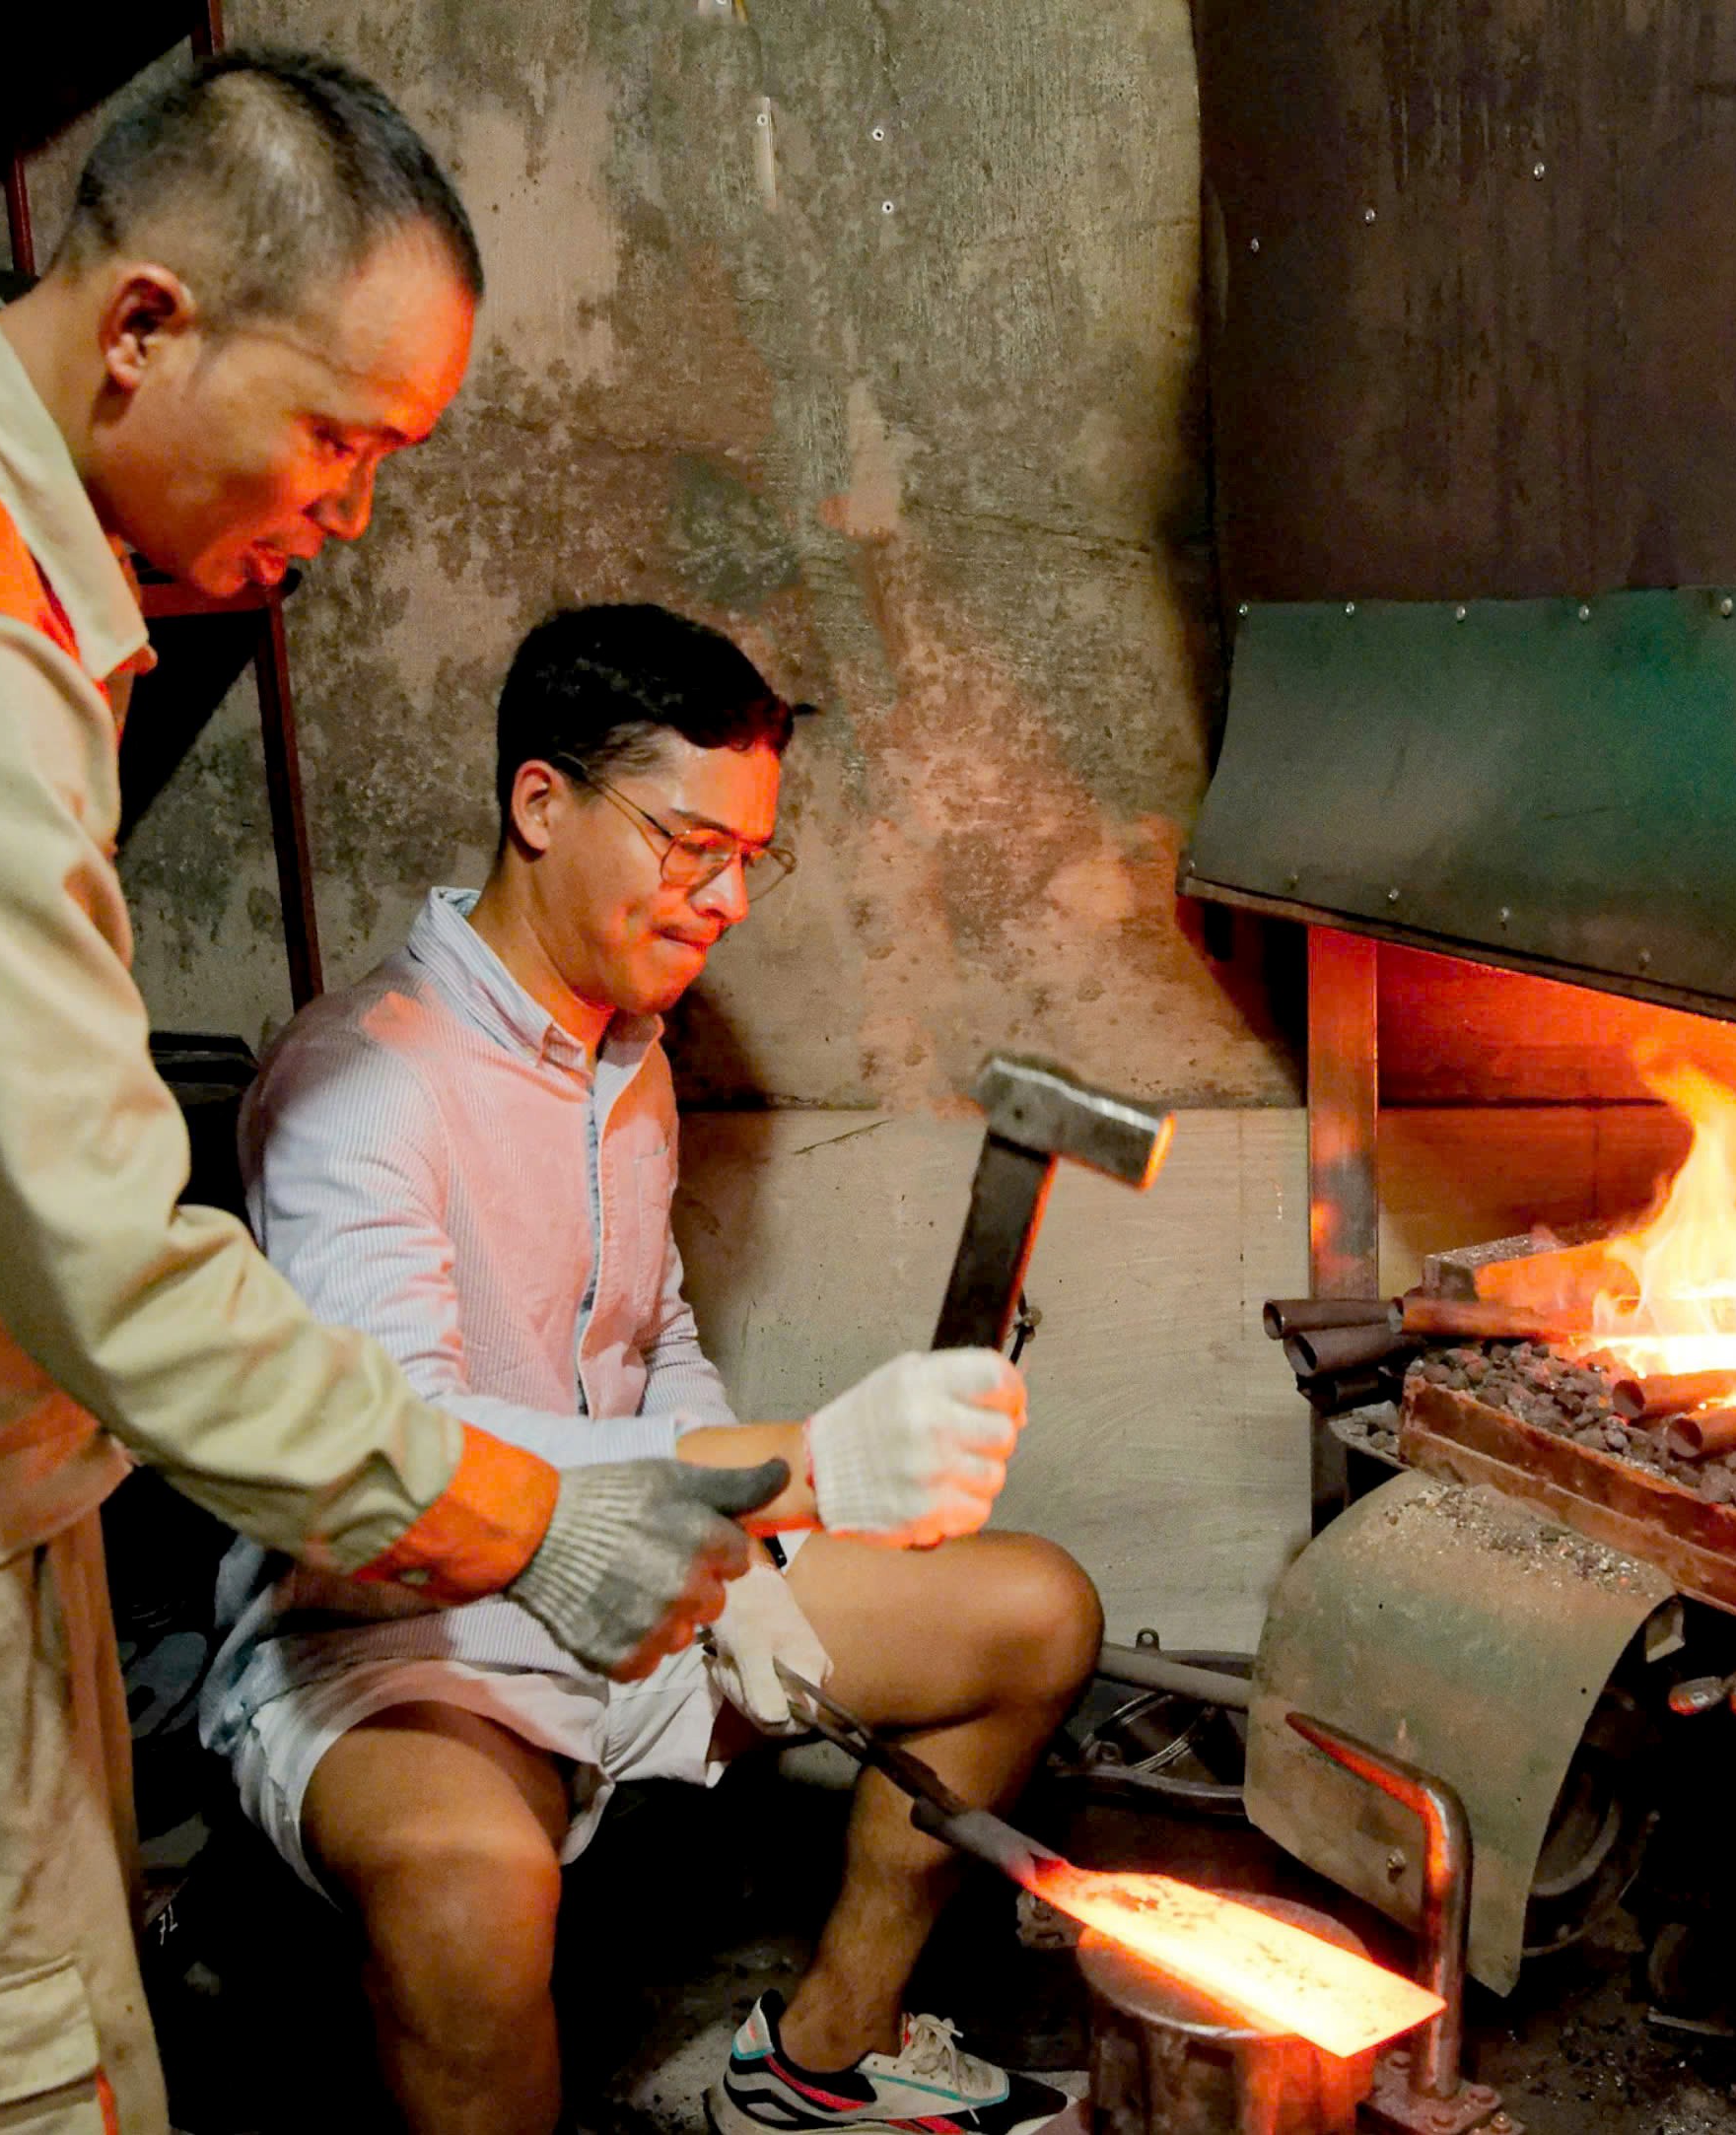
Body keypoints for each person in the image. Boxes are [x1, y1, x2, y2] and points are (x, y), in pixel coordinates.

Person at [0, 55, 1013, 2135]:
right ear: (146, 327)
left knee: (72, 2054)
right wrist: (582, 1520)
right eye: (335, 435)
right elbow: (125, 1275)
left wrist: (698, 1536)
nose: (349, 509)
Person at [206, 603, 1101, 2135]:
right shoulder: (364, 1083)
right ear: (540, 803)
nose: (728, 899)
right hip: (405, 1638)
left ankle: (825, 2053)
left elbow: (653, 1338)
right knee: (468, 1891)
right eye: (691, 846)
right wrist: (804, 1467)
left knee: (1033, 1611)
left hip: (635, 1583)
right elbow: (400, 1454)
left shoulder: (629, 1054)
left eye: (749, 855)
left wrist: (740, 1558)